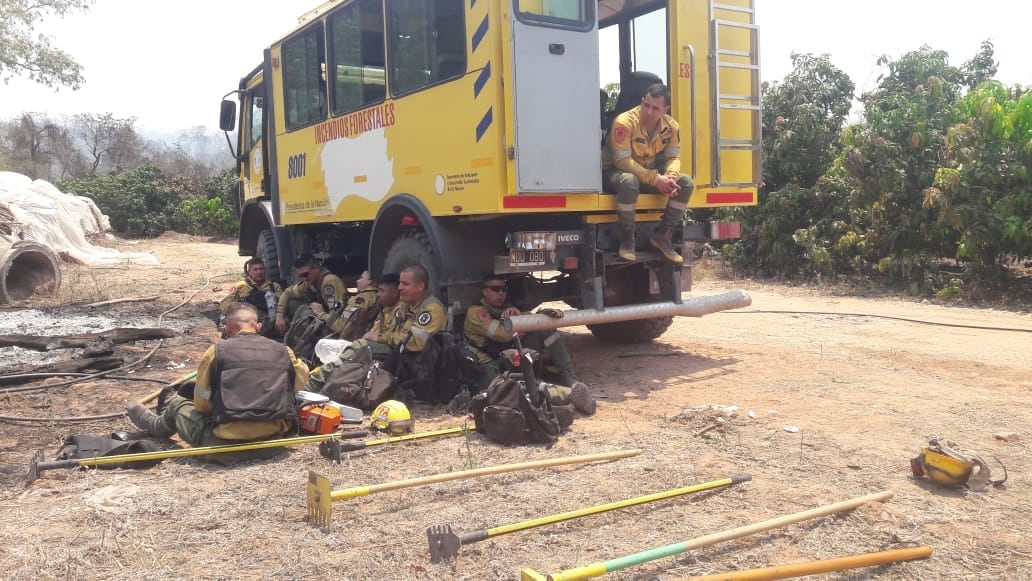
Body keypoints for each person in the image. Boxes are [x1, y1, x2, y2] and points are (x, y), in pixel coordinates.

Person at [126, 303, 310, 464]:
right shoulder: (284, 351)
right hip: (273, 443)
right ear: (259, 326)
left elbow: (202, 405)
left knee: (177, 404)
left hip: (226, 447)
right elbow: (299, 382)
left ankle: (156, 425)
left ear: (227, 329)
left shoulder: (216, 352)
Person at [464, 274, 596, 415]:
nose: (501, 293)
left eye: (504, 289)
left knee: (545, 326)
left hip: (509, 358)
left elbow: (515, 330)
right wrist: (523, 320)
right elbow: (502, 335)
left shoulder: (503, 309)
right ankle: (570, 396)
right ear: (484, 291)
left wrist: (538, 317)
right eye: (496, 289)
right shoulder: (475, 313)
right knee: (521, 389)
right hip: (492, 367)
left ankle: (569, 377)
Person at [305, 266, 445, 392]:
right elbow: (395, 333)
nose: (400, 287)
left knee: (361, 348)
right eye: (400, 283)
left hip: (417, 364)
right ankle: (321, 380)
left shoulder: (431, 309)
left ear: (420, 286)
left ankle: (315, 383)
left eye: (405, 284)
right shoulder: (405, 306)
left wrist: (380, 338)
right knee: (350, 351)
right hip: (399, 357)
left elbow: (415, 342)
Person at [602, 82, 694, 263]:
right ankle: (627, 240)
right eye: (646, 105)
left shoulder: (671, 126)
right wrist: (655, 179)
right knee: (629, 182)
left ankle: (663, 237)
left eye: (655, 108)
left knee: (685, 183)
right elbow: (622, 161)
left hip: (645, 174)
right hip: (615, 172)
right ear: (642, 101)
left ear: (665, 109)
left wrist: (670, 177)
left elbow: (674, 157)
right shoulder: (625, 121)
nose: (649, 112)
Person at [274, 253, 349, 336]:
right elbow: (287, 293)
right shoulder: (310, 283)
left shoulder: (329, 283)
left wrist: (320, 313)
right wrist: (280, 315)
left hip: (341, 325)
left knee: (306, 312)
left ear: (316, 268)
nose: (304, 278)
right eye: (301, 276)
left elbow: (336, 318)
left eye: (305, 274)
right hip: (327, 319)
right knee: (292, 304)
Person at [219, 258, 283, 338]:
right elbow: (225, 303)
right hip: (248, 320)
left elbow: (282, 303)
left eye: (261, 269)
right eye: (255, 269)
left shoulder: (274, 286)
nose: (259, 272)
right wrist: (241, 308)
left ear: (265, 270)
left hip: (269, 318)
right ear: (249, 272)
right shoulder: (241, 286)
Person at [316, 270, 380, 340]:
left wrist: (321, 314)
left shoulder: (359, 300)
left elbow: (340, 324)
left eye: (361, 278)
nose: (357, 281)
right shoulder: (376, 297)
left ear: (370, 282)